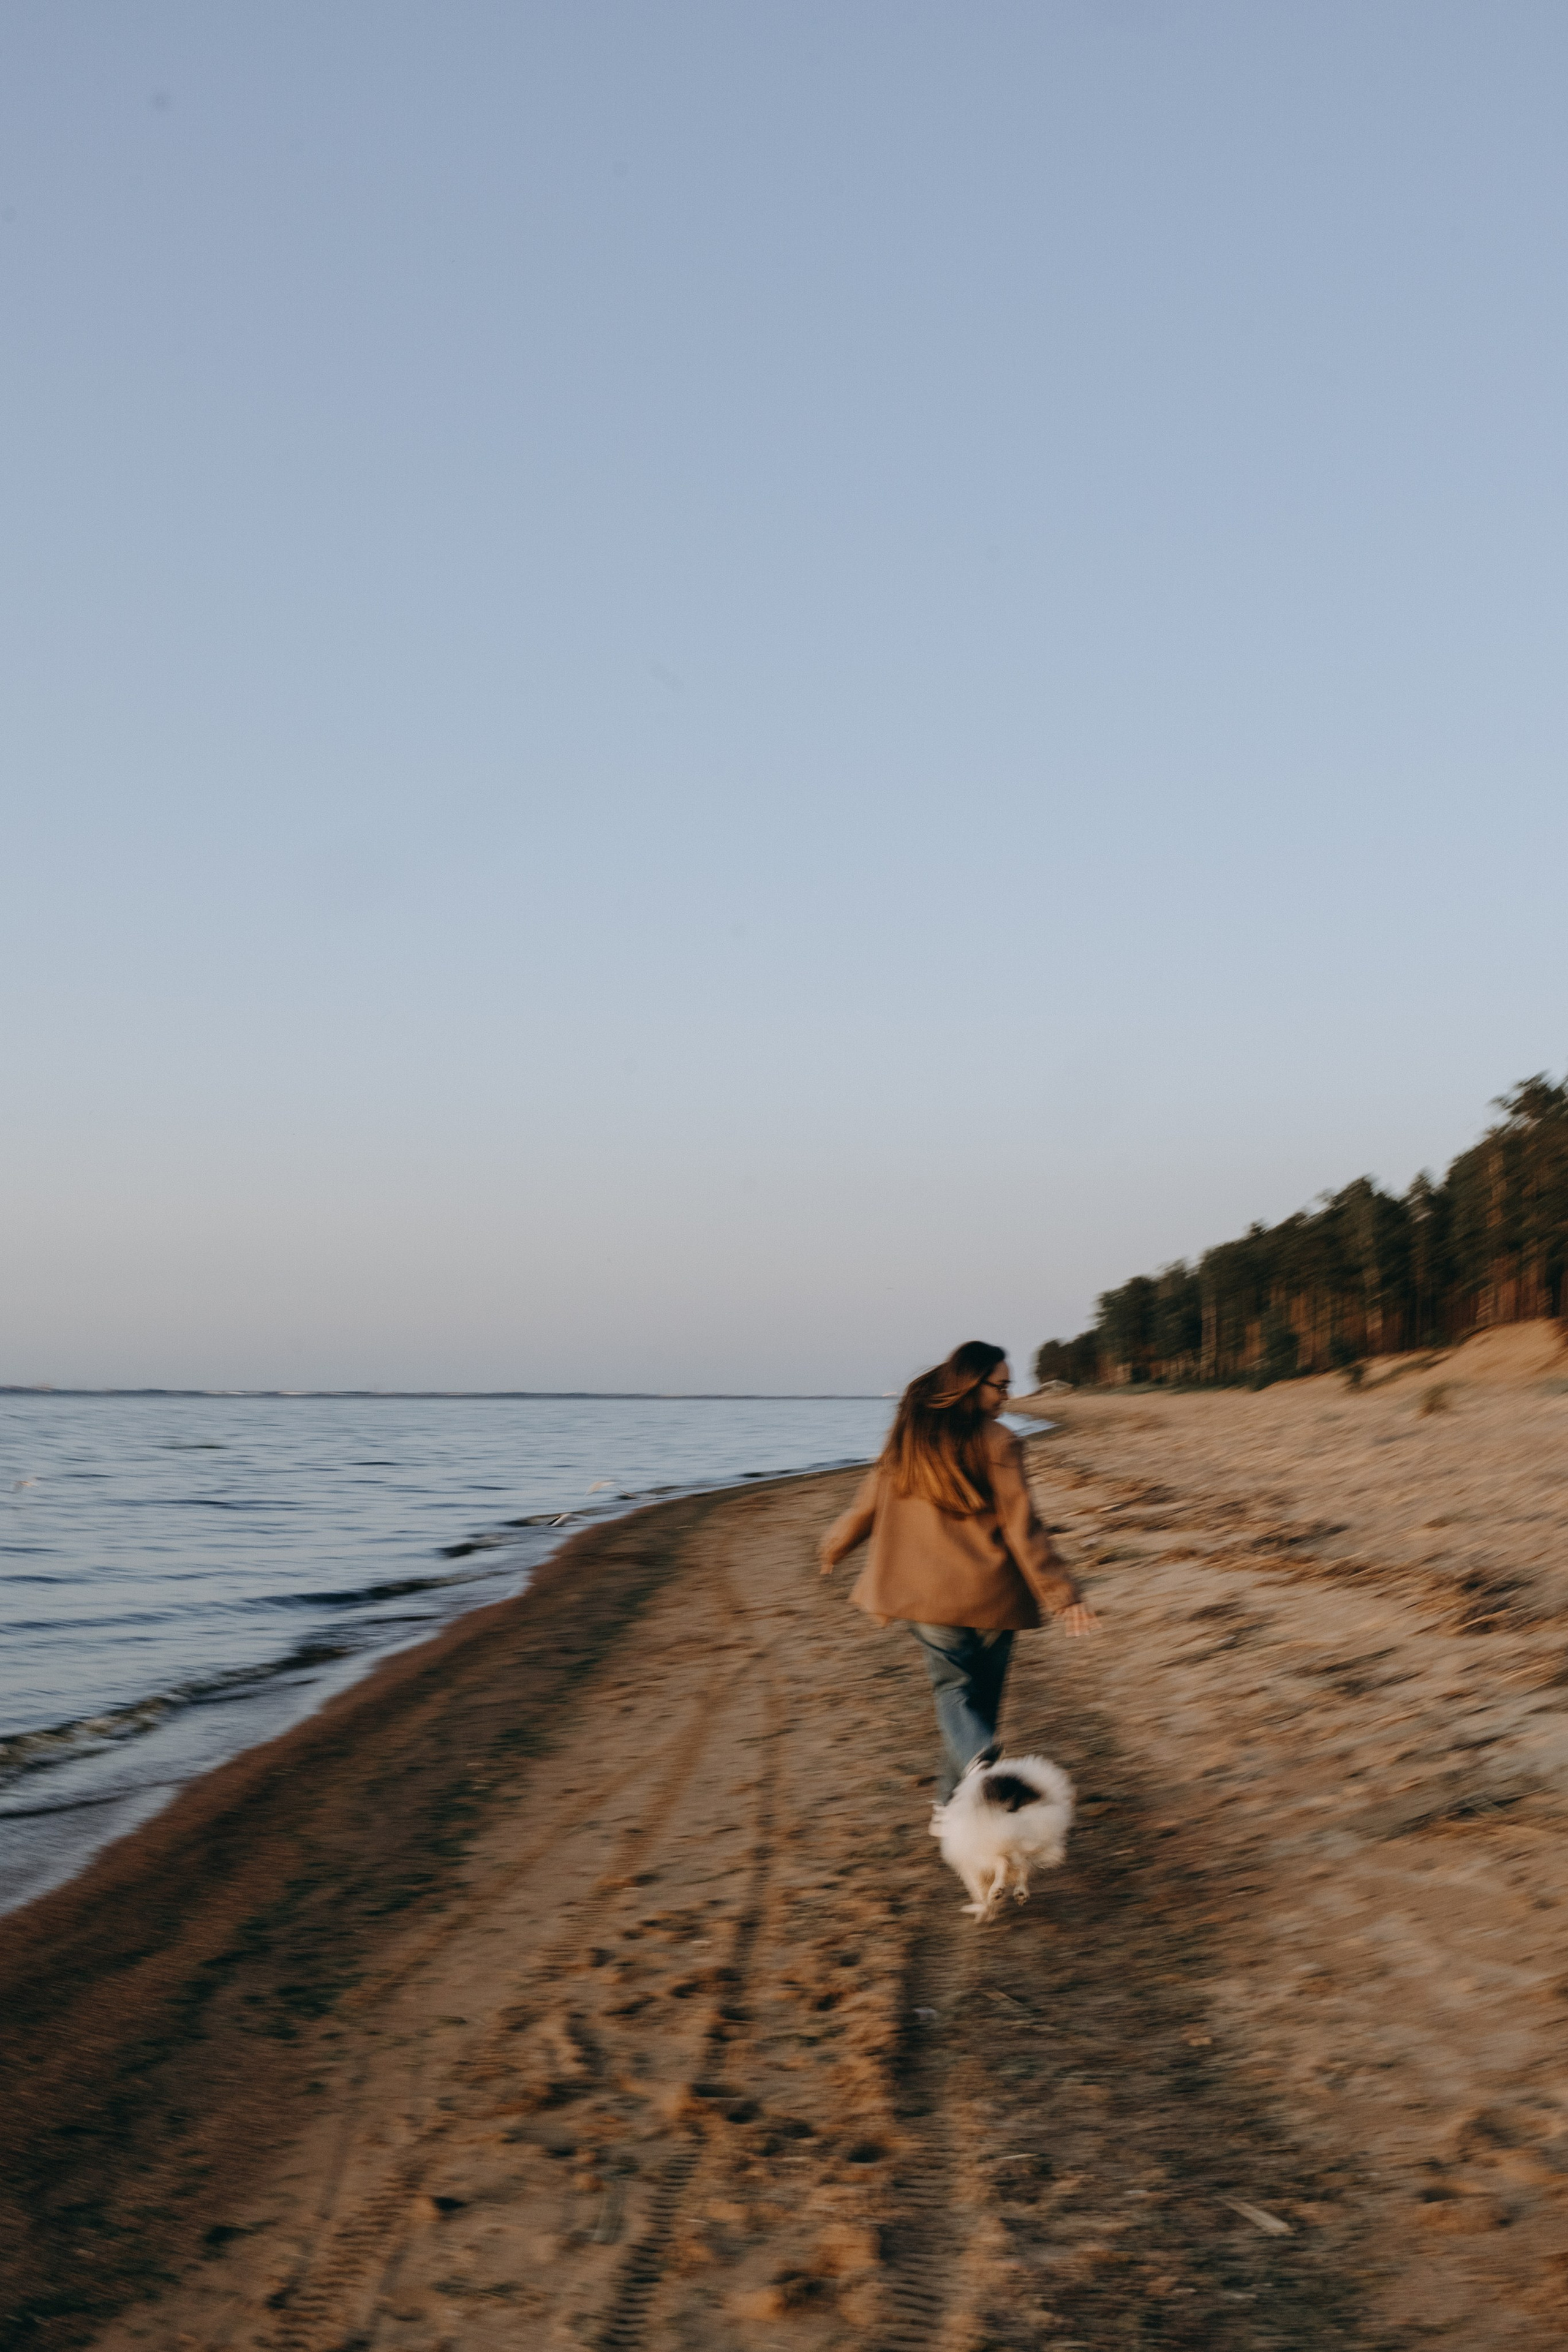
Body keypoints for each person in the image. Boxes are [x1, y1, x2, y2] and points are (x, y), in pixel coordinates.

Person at [819, 1340, 1098, 1801]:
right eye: (1001, 1387)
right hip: (992, 1593)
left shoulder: (911, 1439)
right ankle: (965, 1782)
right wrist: (1063, 1592)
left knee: (958, 1696)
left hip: (927, 1595)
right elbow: (1023, 1527)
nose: (1007, 1397)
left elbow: (865, 1506)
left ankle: (958, 1794)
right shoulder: (1000, 1442)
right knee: (974, 1702)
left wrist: (836, 1545)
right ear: (972, 1384)